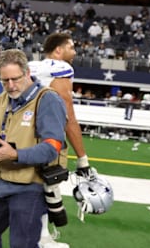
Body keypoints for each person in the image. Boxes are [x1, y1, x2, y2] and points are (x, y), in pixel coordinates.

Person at [0, 49, 66, 248]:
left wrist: (14, 154)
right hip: (1, 183)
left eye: (15, 79)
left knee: (22, 244)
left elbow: (52, 148)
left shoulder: (47, 99)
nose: (11, 86)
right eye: (5, 81)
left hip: (30, 186)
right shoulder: (2, 99)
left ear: (27, 73)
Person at [28, 32, 94, 248]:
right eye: (71, 47)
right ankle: (41, 239)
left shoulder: (32, 66)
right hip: (46, 138)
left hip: (22, 133)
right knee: (47, 186)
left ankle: (37, 236)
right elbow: (67, 114)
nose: (74, 52)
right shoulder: (61, 68)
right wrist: (82, 157)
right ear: (58, 50)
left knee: (22, 186)